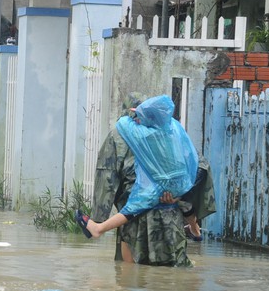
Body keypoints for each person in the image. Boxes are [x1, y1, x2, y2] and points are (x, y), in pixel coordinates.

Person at [77, 93, 216, 267]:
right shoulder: (171, 132)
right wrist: (180, 197)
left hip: (131, 220)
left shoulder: (119, 134)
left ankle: (98, 229)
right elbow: (198, 166)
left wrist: (98, 218)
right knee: (173, 278)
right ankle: (195, 229)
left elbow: (106, 176)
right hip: (170, 217)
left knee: (129, 279)